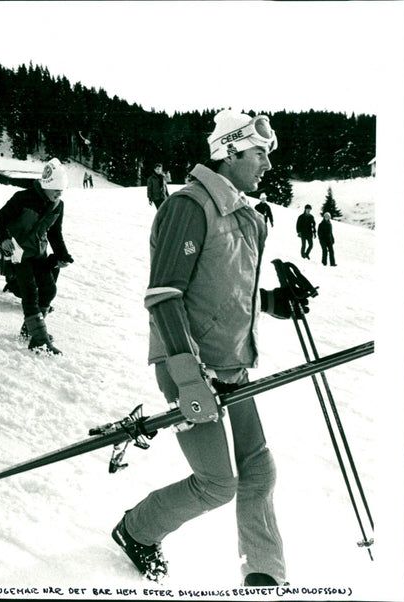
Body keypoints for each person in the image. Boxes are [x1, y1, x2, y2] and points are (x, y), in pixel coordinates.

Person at [112, 109, 308, 586]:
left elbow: (223, 289)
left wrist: (275, 302)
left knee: (258, 471)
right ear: (230, 151)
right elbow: (164, 297)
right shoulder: (189, 206)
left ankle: (264, 576)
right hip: (189, 367)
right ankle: (136, 530)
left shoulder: (246, 216)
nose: (266, 164)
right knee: (219, 483)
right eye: (259, 153)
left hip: (233, 366)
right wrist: (187, 377)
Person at [0, 158, 73, 354]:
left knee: (49, 290)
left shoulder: (57, 206)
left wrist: (63, 254)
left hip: (38, 254)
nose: (59, 193)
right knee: (30, 292)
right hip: (18, 254)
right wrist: (3, 239)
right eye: (56, 188)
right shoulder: (23, 198)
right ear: (46, 184)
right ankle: (39, 339)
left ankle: (30, 329)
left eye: (62, 190)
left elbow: (54, 232)